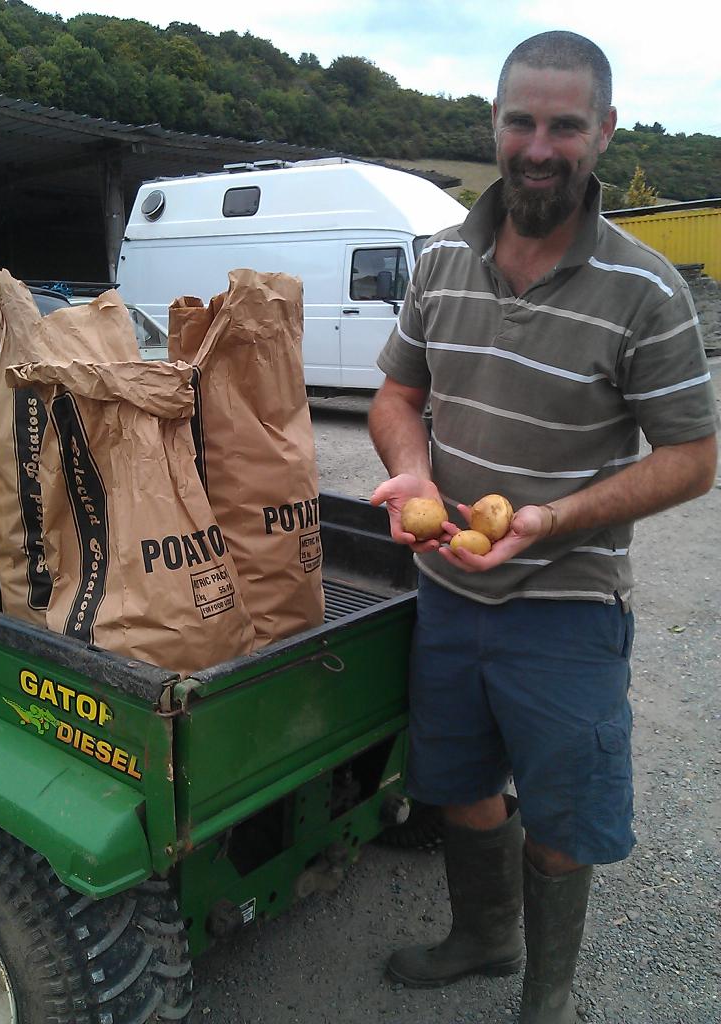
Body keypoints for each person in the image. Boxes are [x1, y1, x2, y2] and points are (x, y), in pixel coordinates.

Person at [368, 30, 718, 1024]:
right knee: (458, 782)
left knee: (563, 815)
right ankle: (484, 937)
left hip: (567, 603)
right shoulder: (441, 261)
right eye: (521, 121)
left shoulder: (646, 289)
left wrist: (553, 518)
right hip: (449, 591)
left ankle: (548, 997)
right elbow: (397, 396)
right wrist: (411, 470)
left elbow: (693, 457)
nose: (538, 146)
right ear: (494, 123)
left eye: (565, 126)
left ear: (603, 131)